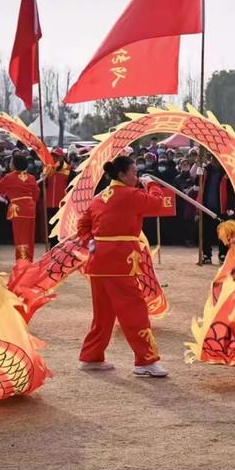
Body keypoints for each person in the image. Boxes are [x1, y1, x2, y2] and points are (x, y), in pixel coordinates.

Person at [76, 155, 168, 377]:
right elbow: (158, 204)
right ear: (121, 175)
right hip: (120, 262)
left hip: (98, 262)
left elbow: (83, 223)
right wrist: (153, 185)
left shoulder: (100, 197)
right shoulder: (131, 194)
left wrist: (89, 240)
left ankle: (92, 356)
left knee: (103, 314)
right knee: (134, 310)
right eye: (134, 173)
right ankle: (145, 361)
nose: (136, 176)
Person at [0, 153, 39, 262]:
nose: (10, 164)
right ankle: (28, 260)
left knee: (20, 236)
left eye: (11, 162)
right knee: (29, 237)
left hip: (18, 209)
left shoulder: (9, 177)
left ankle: (21, 261)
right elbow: (36, 194)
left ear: (15, 165)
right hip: (30, 209)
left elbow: (0, 188)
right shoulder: (31, 177)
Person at [44, 147, 70, 247]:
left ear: (61, 158)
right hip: (49, 202)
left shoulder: (68, 169)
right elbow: (43, 185)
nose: (54, 158)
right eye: (53, 156)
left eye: (56, 157)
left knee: (59, 226)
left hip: (62, 203)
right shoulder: (47, 169)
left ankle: (60, 247)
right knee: (50, 226)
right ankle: (51, 247)